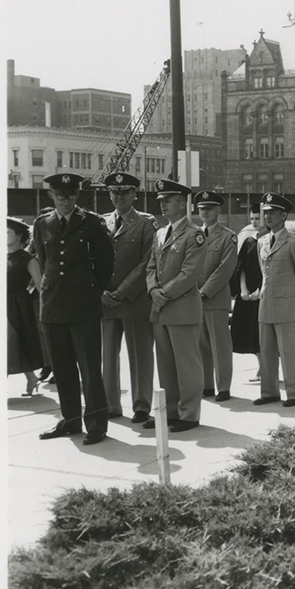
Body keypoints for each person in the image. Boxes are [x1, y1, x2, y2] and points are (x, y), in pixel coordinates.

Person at [33, 173, 114, 445]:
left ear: (78, 195)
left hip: (84, 304)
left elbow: (105, 264)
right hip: (53, 303)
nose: (65, 200)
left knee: (90, 367)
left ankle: (96, 424)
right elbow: (46, 264)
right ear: (52, 196)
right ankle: (69, 421)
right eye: (60, 195)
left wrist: (92, 291)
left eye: (70, 195)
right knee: (62, 366)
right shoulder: (42, 223)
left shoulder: (91, 223)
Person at [144, 179, 207, 433]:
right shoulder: (160, 233)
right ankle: (170, 411)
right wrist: (152, 290)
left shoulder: (195, 235)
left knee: (187, 364)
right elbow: (150, 267)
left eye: (167, 201)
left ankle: (189, 413)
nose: (162, 206)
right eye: (160, 201)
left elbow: (190, 273)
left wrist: (162, 294)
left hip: (181, 307)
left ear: (182, 203)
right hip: (162, 309)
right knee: (167, 364)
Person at [100, 172, 158, 424]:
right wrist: (101, 291)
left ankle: (142, 405)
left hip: (134, 300)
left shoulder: (147, 222)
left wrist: (122, 291)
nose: (118, 197)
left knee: (140, 355)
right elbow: (95, 262)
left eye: (124, 192)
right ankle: (110, 404)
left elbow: (147, 261)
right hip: (106, 301)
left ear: (134, 194)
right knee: (107, 356)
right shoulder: (101, 222)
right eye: (114, 192)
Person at [255, 193, 295, 406]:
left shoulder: (294, 242)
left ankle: (294, 393)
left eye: (272, 213)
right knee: (267, 351)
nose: (268, 216)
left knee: (290, 353)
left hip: (289, 305)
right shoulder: (261, 241)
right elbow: (264, 272)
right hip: (267, 303)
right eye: (266, 212)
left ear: (284, 215)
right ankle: (269, 392)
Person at [194, 190, 238, 403]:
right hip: (195, 299)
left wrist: (205, 291)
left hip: (215, 298)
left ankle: (223, 387)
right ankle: (207, 385)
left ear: (218, 210)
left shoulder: (228, 236)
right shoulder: (195, 234)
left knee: (220, 345)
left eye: (209, 208)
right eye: (202, 209)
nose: (205, 212)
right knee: (201, 345)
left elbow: (225, 268)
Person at [7, 217, 44, 396]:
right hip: (2, 303)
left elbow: (40, 286)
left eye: (7, 233)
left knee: (15, 342)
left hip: (19, 305)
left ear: (19, 236)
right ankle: (31, 378)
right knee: (9, 343)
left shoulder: (29, 259)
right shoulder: (0, 255)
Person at [230, 204, 267, 381]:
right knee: (251, 332)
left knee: (263, 333)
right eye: (252, 218)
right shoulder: (249, 241)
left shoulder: (270, 240)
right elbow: (241, 267)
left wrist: (261, 290)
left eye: (257, 218)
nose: (254, 222)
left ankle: (266, 368)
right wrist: (244, 289)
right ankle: (261, 367)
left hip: (265, 293)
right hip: (249, 294)